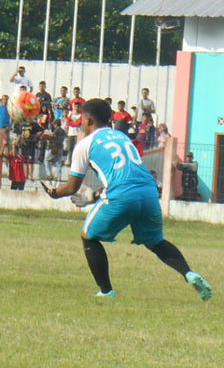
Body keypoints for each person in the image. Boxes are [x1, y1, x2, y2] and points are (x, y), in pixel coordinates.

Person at [41, 99, 212, 301]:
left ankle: (106, 291)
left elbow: (72, 187)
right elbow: (126, 172)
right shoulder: (122, 136)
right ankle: (189, 273)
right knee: (155, 242)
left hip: (122, 194)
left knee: (88, 237)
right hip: (149, 191)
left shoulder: (85, 144)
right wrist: (95, 195)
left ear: (87, 120)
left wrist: (54, 193)